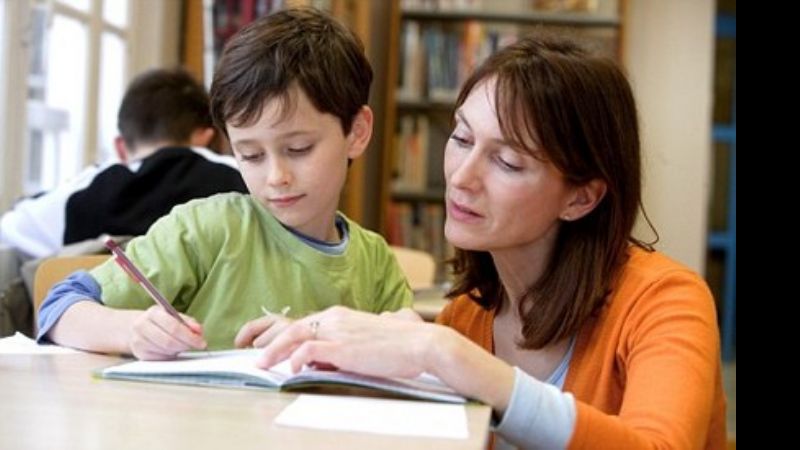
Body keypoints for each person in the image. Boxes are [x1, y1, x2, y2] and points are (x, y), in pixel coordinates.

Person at [258, 35, 726, 449]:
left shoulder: (665, 301)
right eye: (461, 137)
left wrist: (440, 353)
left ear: (581, 197)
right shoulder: (467, 315)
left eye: (507, 162)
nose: (462, 178)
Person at [37, 8, 413, 360]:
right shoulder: (208, 230)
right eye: (250, 156)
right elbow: (60, 308)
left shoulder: (376, 264)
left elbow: (408, 353)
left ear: (357, 132)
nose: (275, 176)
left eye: (298, 148)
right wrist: (132, 329)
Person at [0, 68, 248, 259]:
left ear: (120, 146)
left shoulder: (91, 187)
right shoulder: (240, 176)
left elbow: (10, 230)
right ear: (205, 135)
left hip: (98, 318)